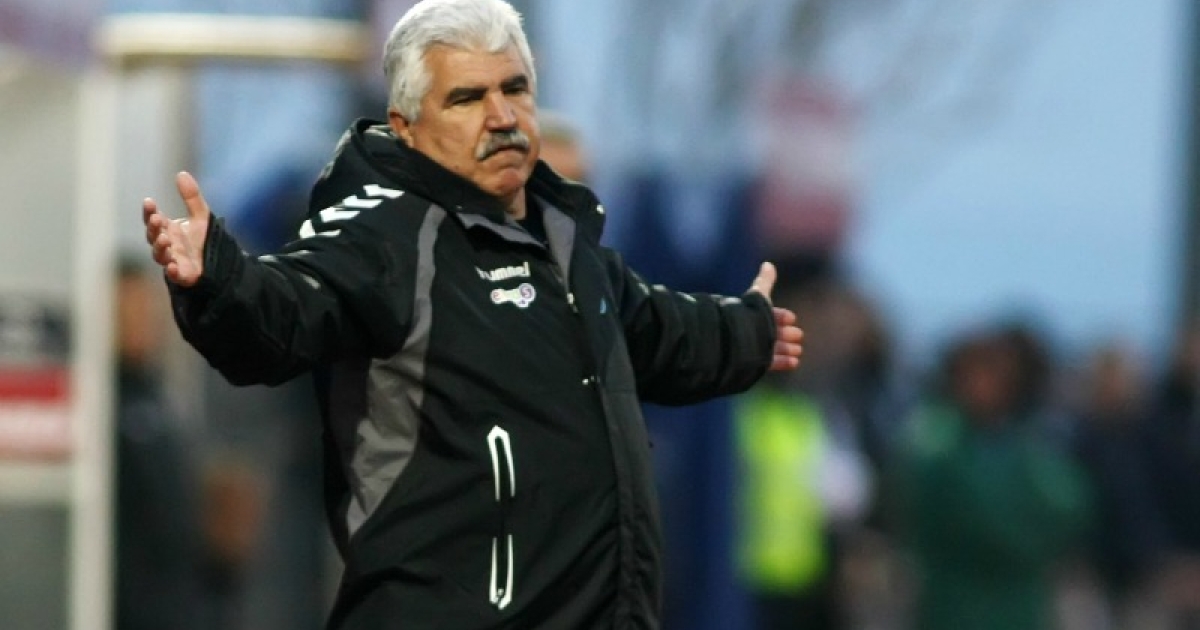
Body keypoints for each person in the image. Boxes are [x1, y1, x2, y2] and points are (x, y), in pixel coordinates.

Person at [140, 0, 803, 628]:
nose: (501, 115)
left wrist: (745, 331)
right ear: (406, 127)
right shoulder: (386, 237)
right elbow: (287, 305)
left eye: (514, 89)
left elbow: (652, 330)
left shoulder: (566, 244)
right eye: (466, 98)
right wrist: (219, 279)